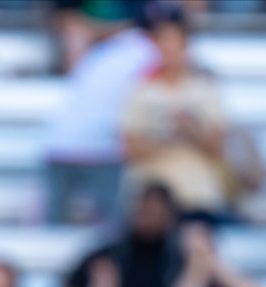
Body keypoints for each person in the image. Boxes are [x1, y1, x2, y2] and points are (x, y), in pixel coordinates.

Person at [120, 5, 242, 224]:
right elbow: (130, 148)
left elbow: (218, 146)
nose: (169, 50)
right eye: (164, 42)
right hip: (152, 200)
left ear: (185, 45)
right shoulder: (140, 90)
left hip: (197, 197)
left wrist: (190, 130)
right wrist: (170, 136)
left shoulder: (205, 89)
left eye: (174, 42)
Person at [41, 12, 154, 230]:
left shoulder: (110, 48)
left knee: (55, 225)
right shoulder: (145, 51)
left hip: (63, 141)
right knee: (111, 225)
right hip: (99, 147)